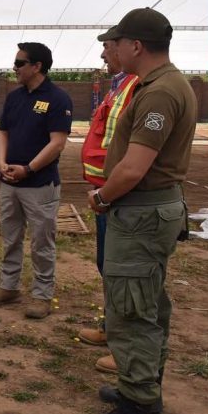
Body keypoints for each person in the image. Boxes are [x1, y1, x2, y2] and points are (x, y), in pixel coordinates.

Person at [77, 8, 196, 414]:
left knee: (131, 310)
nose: (114, 49)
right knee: (148, 303)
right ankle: (146, 392)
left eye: (119, 42)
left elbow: (133, 168)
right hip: (152, 210)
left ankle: (134, 412)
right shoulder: (159, 84)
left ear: (136, 46)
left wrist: (103, 197)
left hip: (141, 211)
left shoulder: (159, 92)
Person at [0, 42, 72, 319]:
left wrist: (29, 169)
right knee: (11, 237)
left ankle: (42, 296)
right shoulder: (15, 97)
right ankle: (9, 287)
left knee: (42, 242)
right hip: (10, 183)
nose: (15, 68)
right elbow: (3, 133)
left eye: (20, 63)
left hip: (40, 185)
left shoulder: (58, 99)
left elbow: (57, 143)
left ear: (37, 66)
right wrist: (2, 163)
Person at [78, 28, 139, 372]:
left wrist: (107, 191)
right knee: (109, 267)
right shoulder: (119, 86)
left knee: (125, 272)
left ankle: (126, 345)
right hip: (108, 194)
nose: (102, 55)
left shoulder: (137, 87)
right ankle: (112, 329)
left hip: (119, 195)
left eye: (107, 47)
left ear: (128, 46)